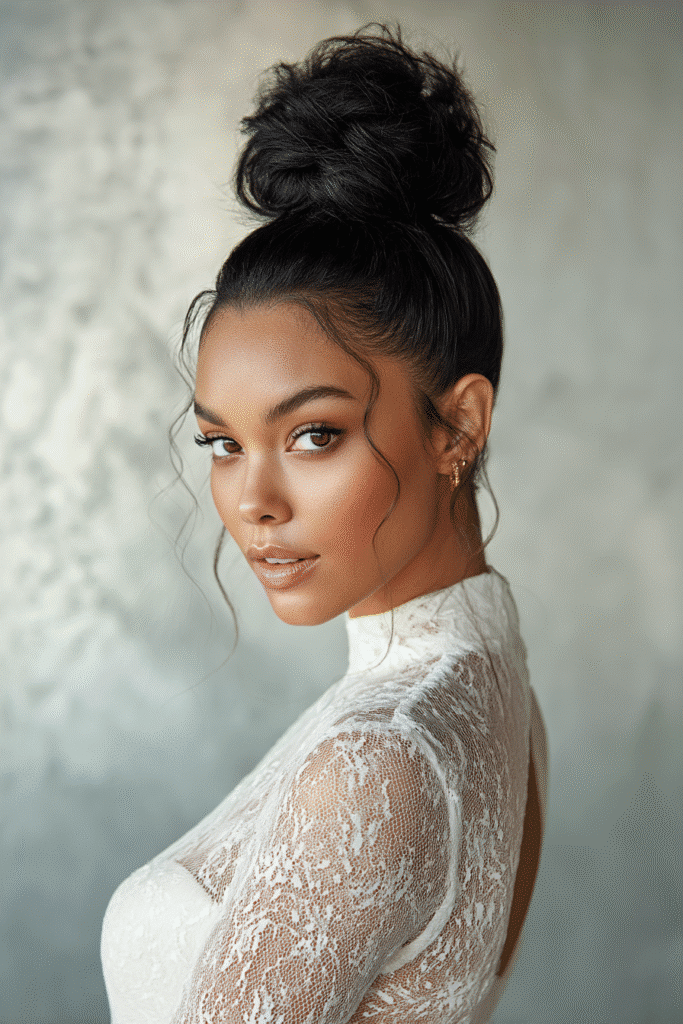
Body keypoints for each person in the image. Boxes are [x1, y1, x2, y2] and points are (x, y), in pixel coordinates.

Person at [100, 24, 548, 1024]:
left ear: (458, 425)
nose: (250, 501)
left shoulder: (377, 762)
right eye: (223, 442)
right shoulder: (490, 679)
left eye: (312, 434)